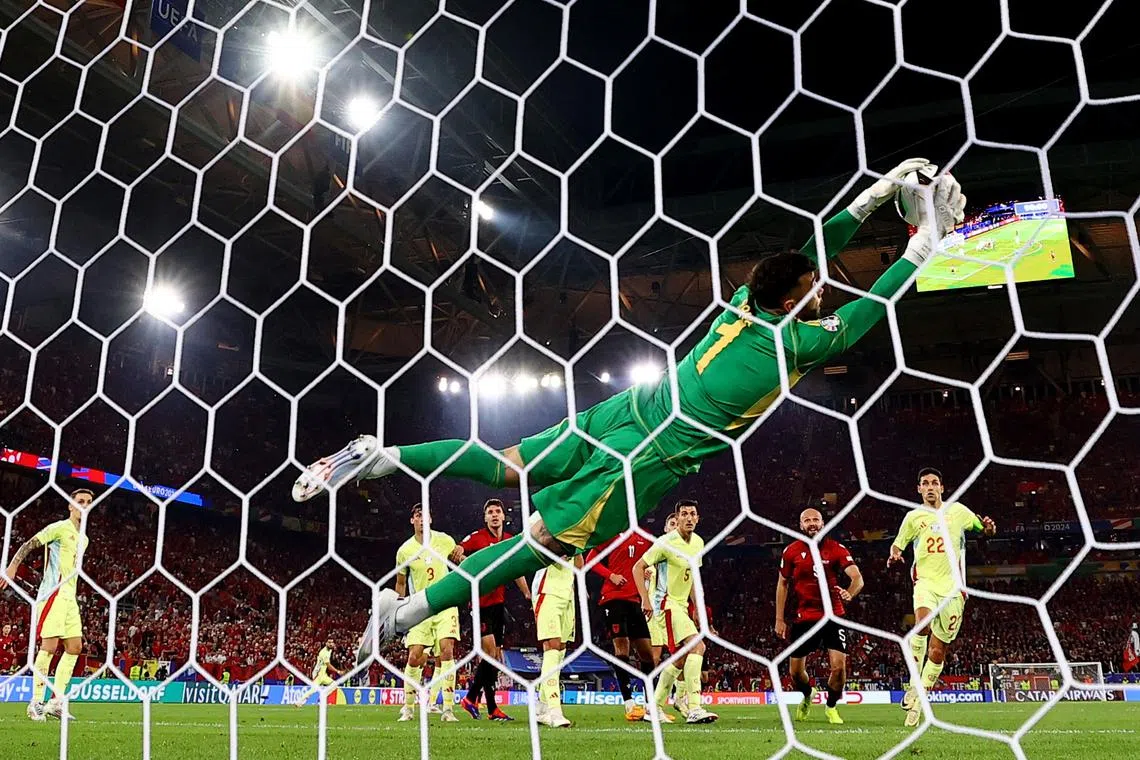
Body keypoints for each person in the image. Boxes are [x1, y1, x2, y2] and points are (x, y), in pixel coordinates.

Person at [299, 160, 966, 658]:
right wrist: (920, 243)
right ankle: (403, 615)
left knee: (505, 463)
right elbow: (871, 308)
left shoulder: (741, 304)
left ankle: (383, 455)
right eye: (811, 289)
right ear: (793, 302)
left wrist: (873, 198)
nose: (819, 287)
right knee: (539, 547)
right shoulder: (792, 345)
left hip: (625, 410)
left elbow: (803, 258)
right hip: (645, 458)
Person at [888, 468, 996, 727]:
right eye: (925, 483)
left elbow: (983, 529)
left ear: (942, 487)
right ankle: (914, 685)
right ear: (919, 490)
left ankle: (921, 696)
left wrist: (990, 528)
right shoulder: (913, 517)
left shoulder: (958, 511)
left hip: (954, 590)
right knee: (921, 624)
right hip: (925, 583)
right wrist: (894, 554)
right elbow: (898, 543)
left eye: (934, 483)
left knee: (938, 650)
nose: (930, 487)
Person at [1, 488, 93, 721]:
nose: (85, 504)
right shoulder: (59, 528)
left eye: (89, 502)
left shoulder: (84, 539)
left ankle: (56, 702)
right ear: (70, 506)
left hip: (70, 598)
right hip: (53, 593)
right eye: (80, 501)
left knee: (74, 647)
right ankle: (36, 703)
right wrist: (12, 567)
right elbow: (30, 544)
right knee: (49, 647)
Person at [775, 508, 864, 725]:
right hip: (804, 617)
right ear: (800, 525)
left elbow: (857, 578)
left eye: (816, 519)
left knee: (839, 667)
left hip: (833, 615)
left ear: (823, 523)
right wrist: (779, 618)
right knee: (795, 673)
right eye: (807, 520)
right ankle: (808, 694)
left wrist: (849, 593)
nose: (812, 523)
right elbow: (782, 584)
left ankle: (832, 706)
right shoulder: (791, 551)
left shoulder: (836, 549)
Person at [632, 500, 717, 724]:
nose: (689, 518)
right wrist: (645, 600)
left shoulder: (698, 542)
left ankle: (654, 706)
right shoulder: (665, 543)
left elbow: (693, 579)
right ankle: (694, 706)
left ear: (698, 518)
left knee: (680, 659)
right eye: (684, 514)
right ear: (677, 518)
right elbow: (637, 567)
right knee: (697, 646)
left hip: (681, 605)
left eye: (693, 514)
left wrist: (698, 609)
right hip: (666, 603)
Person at [455, 499, 530, 721]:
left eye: (498, 511)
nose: (495, 515)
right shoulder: (477, 538)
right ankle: (470, 697)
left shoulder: (508, 541)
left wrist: (527, 593)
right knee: (489, 655)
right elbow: (456, 552)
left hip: (498, 605)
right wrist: (468, 562)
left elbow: (516, 570)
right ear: (485, 518)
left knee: (495, 658)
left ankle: (491, 708)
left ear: (504, 517)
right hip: (480, 604)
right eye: (490, 512)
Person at [395, 504, 464, 722]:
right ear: (412, 520)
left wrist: (463, 554)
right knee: (415, 656)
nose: (422, 519)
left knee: (447, 650)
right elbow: (400, 583)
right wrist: (400, 613)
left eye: (426, 515)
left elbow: (460, 562)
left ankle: (448, 709)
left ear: (431, 520)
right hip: (419, 607)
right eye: (418, 515)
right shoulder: (405, 551)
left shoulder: (444, 540)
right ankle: (408, 707)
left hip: (446, 604)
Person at [584, 524, 656, 722]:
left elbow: (651, 560)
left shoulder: (645, 536)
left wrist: (648, 570)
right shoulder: (611, 534)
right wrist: (611, 575)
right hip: (613, 598)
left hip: (635, 600)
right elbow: (590, 560)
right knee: (621, 648)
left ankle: (650, 704)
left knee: (647, 653)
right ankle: (629, 703)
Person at [531, 554, 582, 728]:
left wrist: (578, 548)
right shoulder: (545, 527)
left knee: (560, 649)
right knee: (551, 647)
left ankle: (542, 707)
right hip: (547, 589)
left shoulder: (576, 533)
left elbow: (579, 568)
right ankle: (555, 711)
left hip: (567, 593)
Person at [295, 638, 340, 708]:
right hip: (318, 674)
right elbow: (328, 665)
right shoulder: (324, 652)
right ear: (326, 643)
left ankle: (319, 699)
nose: (331, 644)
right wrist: (338, 671)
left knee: (334, 685)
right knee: (313, 690)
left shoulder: (329, 650)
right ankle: (300, 701)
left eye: (332, 642)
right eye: (329, 642)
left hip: (323, 674)